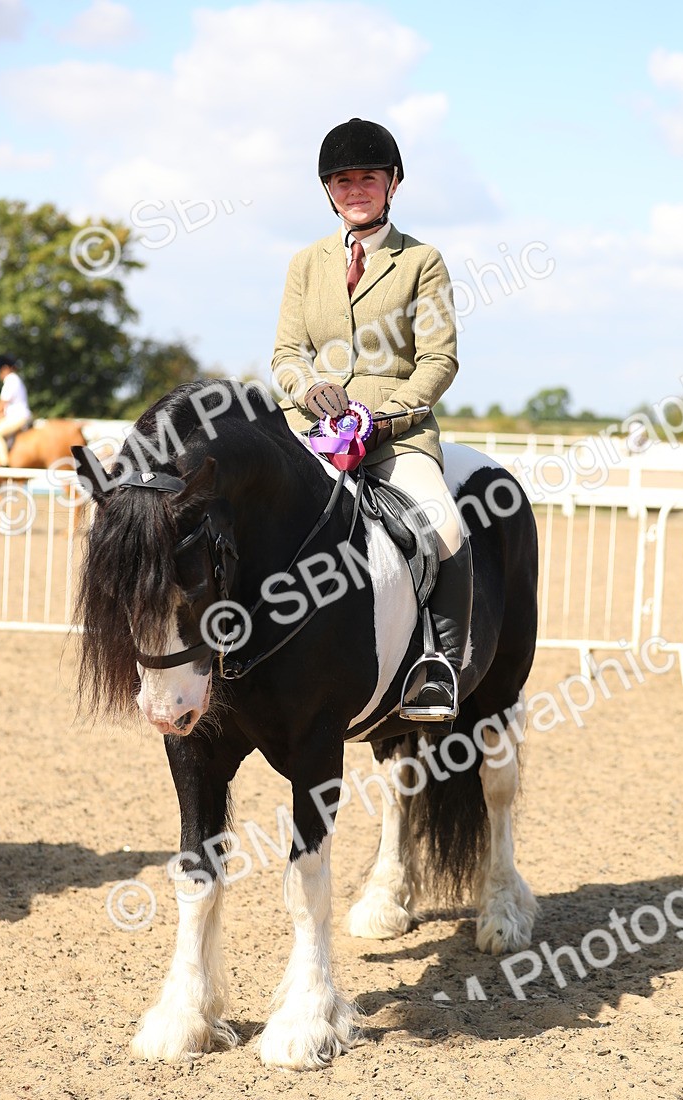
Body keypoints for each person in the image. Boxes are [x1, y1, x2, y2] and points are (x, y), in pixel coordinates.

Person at [272, 117, 472, 721]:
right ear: (328, 189)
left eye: (367, 177)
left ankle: (437, 666)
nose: (354, 189)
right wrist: (310, 392)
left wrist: (381, 419)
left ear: (392, 184)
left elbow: (440, 360)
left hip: (395, 437)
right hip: (312, 432)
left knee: (446, 530)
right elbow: (286, 354)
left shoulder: (421, 261)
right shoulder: (306, 263)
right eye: (342, 179)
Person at [0, 354, 32, 467]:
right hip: (17, 416)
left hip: (18, 417)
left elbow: (2, 403)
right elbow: (6, 409)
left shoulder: (10, 379)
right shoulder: (16, 380)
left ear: (5, 368)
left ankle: (4, 463)